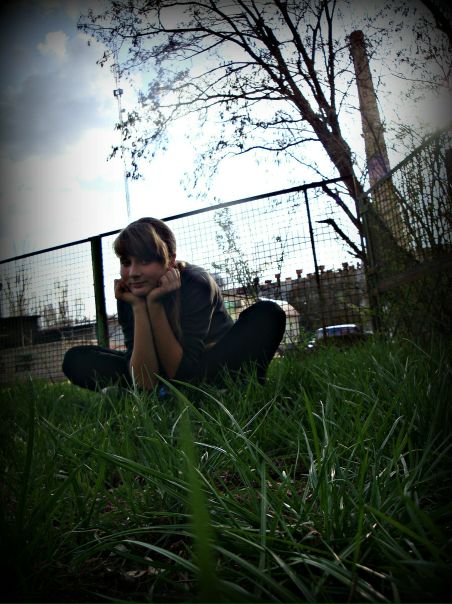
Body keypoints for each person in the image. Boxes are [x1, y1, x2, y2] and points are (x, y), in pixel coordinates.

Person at [62, 217, 286, 392]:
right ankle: (154, 394)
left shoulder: (196, 283)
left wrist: (155, 305)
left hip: (209, 365)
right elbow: (144, 381)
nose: (133, 273)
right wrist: (139, 308)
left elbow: (182, 374)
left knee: (267, 313)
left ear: (170, 260)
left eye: (145, 260)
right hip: (159, 372)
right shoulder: (128, 293)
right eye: (126, 262)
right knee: (77, 359)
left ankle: (229, 387)